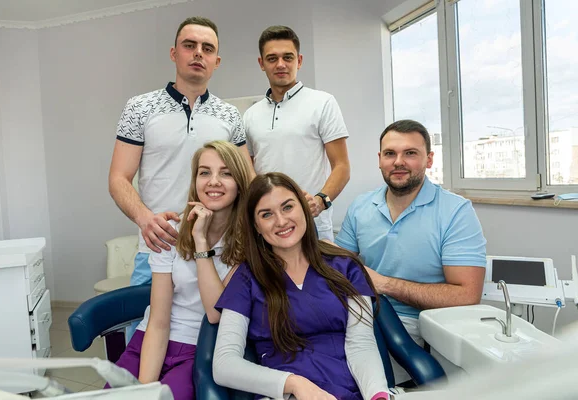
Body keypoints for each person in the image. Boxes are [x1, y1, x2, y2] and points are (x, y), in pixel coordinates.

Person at [213, 172, 392, 400]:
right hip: (284, 394)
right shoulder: (246, 278)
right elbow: (224, 364)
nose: (281, 221)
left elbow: (362, 346)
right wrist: (294, 384)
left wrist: (378, 395)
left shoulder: (346, 267)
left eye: (287, 207)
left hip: (349, 390)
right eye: (267, 214)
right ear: (256, 226)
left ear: (304, 208)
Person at [108, 16, 254, 294]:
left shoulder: (230, 115)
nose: (199, 52)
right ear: (174, 54)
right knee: (145, 331)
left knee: (213, 331)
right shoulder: (139, 107)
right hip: (158, 247)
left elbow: (247, 179)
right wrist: (144, 219)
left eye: (207, 48)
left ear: (217, 61)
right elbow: (118, 178)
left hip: (216, 249)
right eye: (190, 45)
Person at [335, 119, 486, 382]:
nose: (398, 162)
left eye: (410, 153)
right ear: (379, 159)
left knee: (349, 379)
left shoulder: (455, 212)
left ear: (429, 159)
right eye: (390, 154)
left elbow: (467, 295)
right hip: (362, 313)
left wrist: (384, 284)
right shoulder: (361, 207)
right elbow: (339, 266)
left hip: (422, 327)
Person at [107, 141, 252, 399]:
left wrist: (201, 241)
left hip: (200, 348)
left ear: (240, 183)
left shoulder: (248, 243)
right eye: (204, 172)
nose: (213, 181)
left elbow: (215, 312)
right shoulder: (171, 232)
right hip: (150, 341)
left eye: (226, 173)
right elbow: (159, 322)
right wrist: (145, 389)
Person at [243, 26, 351, 242]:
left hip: (312, 224)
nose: (280, 64)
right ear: (261, 63)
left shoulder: (322, 103)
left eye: (288, 57)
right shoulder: (250, 115)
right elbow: (248, 173)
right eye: (272, 58)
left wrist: (321, 201)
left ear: (299, 61)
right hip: (268, 227)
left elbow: (342, 166)